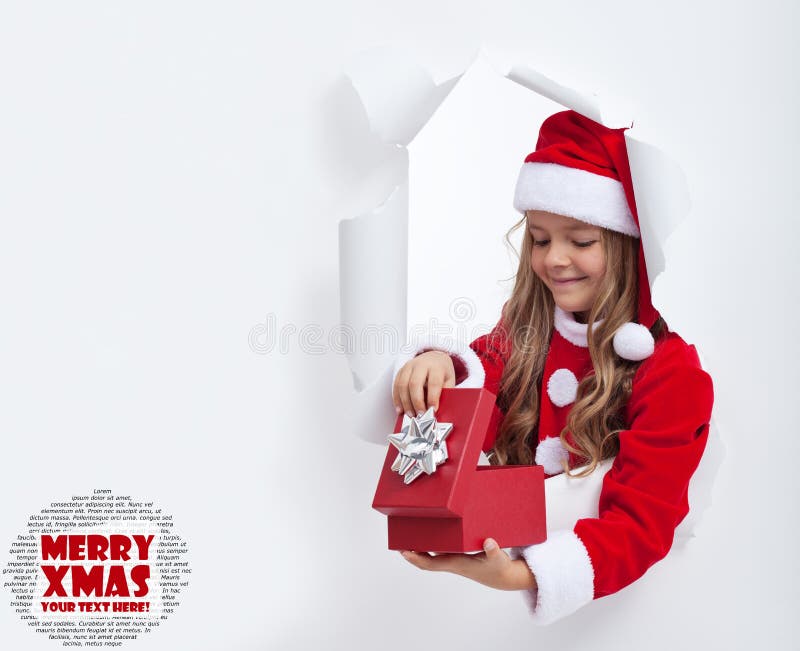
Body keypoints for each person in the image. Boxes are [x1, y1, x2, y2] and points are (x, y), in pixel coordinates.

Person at [390, 110, 714, 624]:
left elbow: (641, 525)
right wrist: (438, 365)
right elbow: (479, 380)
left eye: (580, 241)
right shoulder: (520, 334)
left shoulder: (672, 373)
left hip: (636, 616)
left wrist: (524, 576)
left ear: (629, 246)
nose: (554, 259)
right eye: (540, 239)